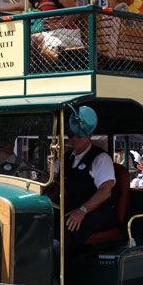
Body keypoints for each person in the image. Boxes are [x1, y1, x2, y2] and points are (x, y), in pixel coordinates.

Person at [56, 106, 116, 255]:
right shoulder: (64, 159)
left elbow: (105, 192)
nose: (74, 139)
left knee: (69, 228)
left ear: (90, 135)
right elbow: (51, 181)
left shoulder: (101, 158)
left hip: (96, 212)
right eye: (70, 135)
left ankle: (64, 273)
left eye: (79, 135)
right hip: (70, 209)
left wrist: (82, 210)